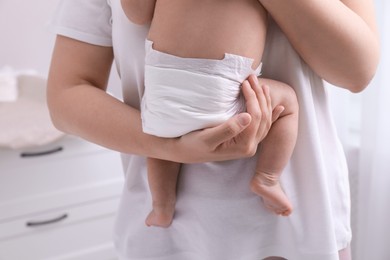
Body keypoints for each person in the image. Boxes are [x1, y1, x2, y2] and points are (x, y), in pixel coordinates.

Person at [47, 0, 379, 259]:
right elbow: (66, 96)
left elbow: (357, 72)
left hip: (298, 229)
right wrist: (170, 147)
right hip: (168, 237)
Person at [120, 0, 299, 228]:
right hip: (220, 89)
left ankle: (161, 205)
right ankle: (267, 177)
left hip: (163, 83)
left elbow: (136, 15)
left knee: (162, 135)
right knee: (288, 102)